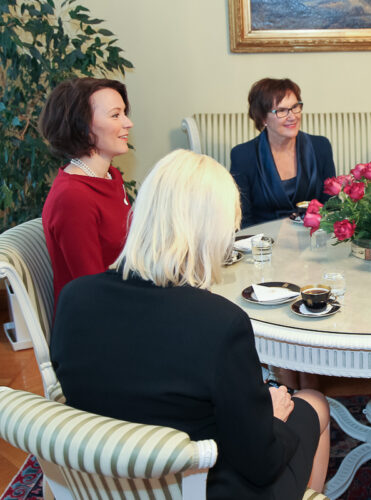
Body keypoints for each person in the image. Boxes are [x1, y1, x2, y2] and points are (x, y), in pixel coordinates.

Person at [50, 149, 331, 499]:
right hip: (199, 487)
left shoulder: (74, 298)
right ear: (212, 232)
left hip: (107, 482)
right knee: (314, 402)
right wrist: (273, 419)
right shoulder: (220, 324)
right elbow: (261, 463)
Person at [39, 77, 133, 304]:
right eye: (115, 115)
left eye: (124, 113)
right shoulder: (72, 197)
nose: (128, 123)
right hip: (95, 322)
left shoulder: (110, 177)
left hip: (122, 298)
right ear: (82, 126)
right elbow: (93, 289)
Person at [230, 78, 336, 228]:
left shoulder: (320, 146)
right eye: (281, 111)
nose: (292, 116)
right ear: (262, 118)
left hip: (313, 241)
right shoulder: (243, 156)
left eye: (295, 107)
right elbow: (243, 218)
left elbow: (330, 206)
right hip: (265, 244)